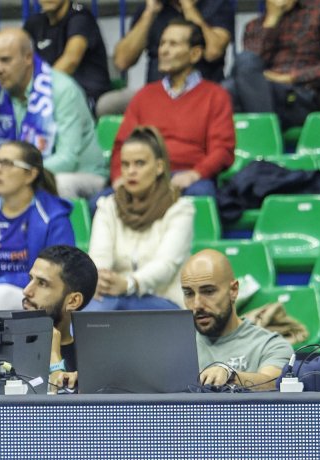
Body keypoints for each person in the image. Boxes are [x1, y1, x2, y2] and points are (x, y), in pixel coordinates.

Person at [0, 29, 107, 208]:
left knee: (59, 184)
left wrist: (18, 177)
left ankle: (59, 236)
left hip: (79, 174)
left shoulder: (63, 90)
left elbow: (67, 159)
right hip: (16, 174)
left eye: (5, 60)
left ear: (28, 58)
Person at [111, 19, 236, 198]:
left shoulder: (215, 96)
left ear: (195, 54)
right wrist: (118, 177)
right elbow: (121, 145)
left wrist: (195, 174)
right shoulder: (144, 96)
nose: (164, 50)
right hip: (144, 176)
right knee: (99, 203)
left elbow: (222, 150)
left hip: (190, 177)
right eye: (162, 43)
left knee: (200, 196)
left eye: (173, 44)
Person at [0, 141, 75, 311]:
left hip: (36, 304)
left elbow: (58, 273)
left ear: (30, 175)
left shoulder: (53, 216)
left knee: (1, 294)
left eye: (8, 164)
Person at [88, 126, 194, 310]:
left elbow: (166, 265)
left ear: (159, 166)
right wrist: (102, 278)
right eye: (125, 164)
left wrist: (130, 283)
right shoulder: (108, 206)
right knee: (86, 313)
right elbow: (99, 256)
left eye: (139, 163)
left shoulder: (180, 209)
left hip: (162, 298)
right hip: (114, 295)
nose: (131, 171)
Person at [226, 0, 320, 132]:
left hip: (301, 95)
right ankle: (266, 132)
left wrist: (290, 78)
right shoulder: (254, 26)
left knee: (230, 87)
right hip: (265, 93)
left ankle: (264, 135)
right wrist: (272, 20)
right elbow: (247, 69)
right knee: (230, 85)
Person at [180, 249, 292, 391]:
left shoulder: (270, 345)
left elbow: (274, 383)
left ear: (233, 290)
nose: (197, 304)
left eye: (208, 291)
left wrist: (230, 376)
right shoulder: (175, 347)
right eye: (189, 294)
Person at [100, 0, 234, 116]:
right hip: (155, 92)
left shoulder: (217, 4)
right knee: (108, 104)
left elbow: (213, 52)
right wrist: (150, 12)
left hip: (203, 91)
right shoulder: (152, 8)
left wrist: (188, 7)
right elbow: (122, 61)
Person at [21, 244, 98, 392]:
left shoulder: (89, 365)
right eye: (30, 279)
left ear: (73, 301)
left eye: (42, 283)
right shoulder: (0, 347)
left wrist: (54, 361)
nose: (26, 291)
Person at [20, 0, 111, 111]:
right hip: (51, 96)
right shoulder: (35, 22)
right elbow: (9, 50)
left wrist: (38, 90)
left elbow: (71, 60)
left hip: (87, 95)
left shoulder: (80, 16)